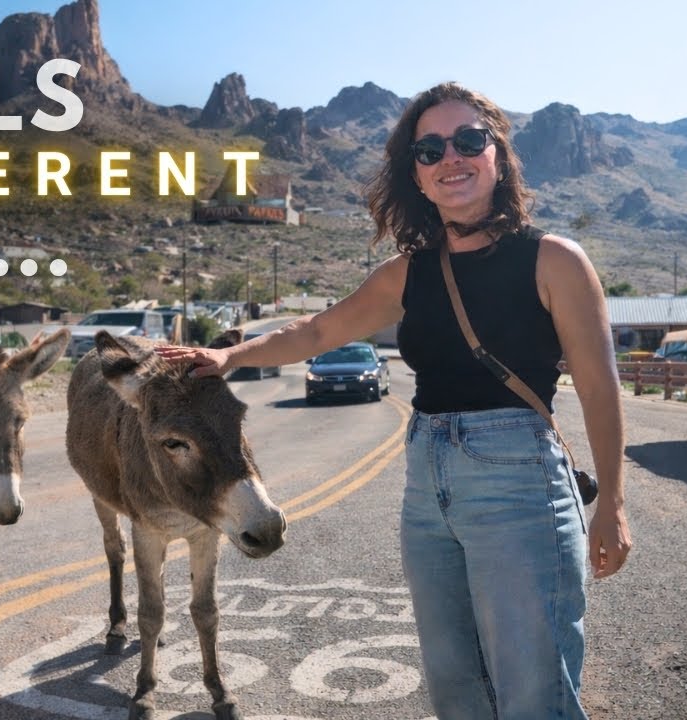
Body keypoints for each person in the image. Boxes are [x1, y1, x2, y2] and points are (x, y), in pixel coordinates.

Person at [155, 82, 632, 719]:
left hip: (519, 479)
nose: (450, 158)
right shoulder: (409, 271)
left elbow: (600, 389)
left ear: (497, 154)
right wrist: (229, 357)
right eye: (429, 150)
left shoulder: (554, 261)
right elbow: (319, 331)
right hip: (426, 486)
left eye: (468, 141)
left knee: (534, 687)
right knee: (455, 684)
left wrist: (613, 507)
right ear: (417, 173)